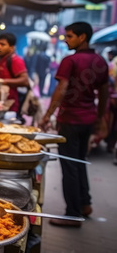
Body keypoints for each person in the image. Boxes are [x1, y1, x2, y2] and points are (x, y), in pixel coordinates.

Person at [40, 22, 109, 227]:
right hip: (88, 119)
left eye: (70, 36)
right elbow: (103, 92)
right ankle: (85, 204)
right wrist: (99, 117)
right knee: (79, 162)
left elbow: (62, 88)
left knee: (69, 166)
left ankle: (72, 214)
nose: (66, 39)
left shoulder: (70, 61)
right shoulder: (100, 61)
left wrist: (48, 115)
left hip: (70, 120)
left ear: (82, 38)